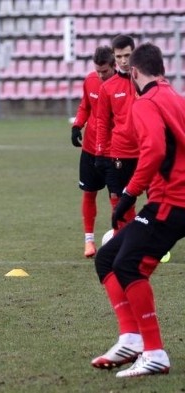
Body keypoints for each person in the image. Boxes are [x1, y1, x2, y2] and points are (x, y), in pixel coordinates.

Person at [91, 42, 179, 378]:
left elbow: (155, 150)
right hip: (173, 198)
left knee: (128, 265)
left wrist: (129, 193)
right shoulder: (176, 97)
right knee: (107, 259)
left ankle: (154, 351)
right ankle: (131, 338)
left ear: (134, 72)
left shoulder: (146, 102)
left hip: (172, 200)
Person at [71, 46, 116, 258]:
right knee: (89, 193)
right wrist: (77, 125)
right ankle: (88, 241)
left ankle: (120, 237)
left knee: (117, 197)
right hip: (90, 149)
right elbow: (85, 106)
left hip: (115, 150)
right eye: (97, 70)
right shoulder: (90, 80)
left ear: (114, 65)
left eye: (104, 71)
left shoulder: (125, 85)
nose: (100, 75)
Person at [94, 35, 138, 232]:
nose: (123, 60)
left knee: (157, 199)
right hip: (120, 152)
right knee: (118, 201)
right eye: (119, 56)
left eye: (127, 55)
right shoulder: (107, 88)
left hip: (147, 150)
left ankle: (153, 244)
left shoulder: (147, 82)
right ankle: (124, 242)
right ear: (114, 57)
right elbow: (102, 122)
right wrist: (100, 152)